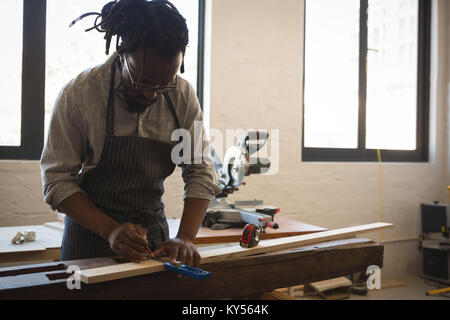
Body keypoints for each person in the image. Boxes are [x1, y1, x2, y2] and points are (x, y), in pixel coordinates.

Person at [40, 0, 221, 267]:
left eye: (163, 85)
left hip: (153, 240)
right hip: (88, 238)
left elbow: (200, 170)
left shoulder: (181, 95)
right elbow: (56, 181)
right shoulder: (80, 93)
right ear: (122, 53)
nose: (152, 93)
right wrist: (110, 230)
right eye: (143, 81)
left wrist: (185, 238)